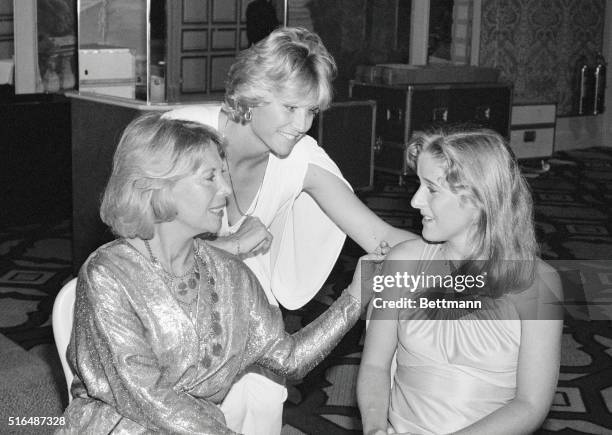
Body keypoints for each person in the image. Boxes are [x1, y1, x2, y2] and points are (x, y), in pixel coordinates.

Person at [57, 113, 382, 434]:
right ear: (157, 187)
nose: (227, 189)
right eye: (210, 177)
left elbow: (289, 357)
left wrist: (354, 298)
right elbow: (148, 399)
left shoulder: (230, 275)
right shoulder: (108, 275)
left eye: (223, 174)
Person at [164, 26, 416, 434]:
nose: (302, 124)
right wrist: (233, 244)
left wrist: (476, 250)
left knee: (259, 412)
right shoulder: (184, 134)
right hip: (171, 310)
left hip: (248, 308)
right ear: (251, 94)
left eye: (312, 111)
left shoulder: (300, 158)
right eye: (290, 107)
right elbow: (141, 256)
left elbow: (376, 235)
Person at [357, 129, 563, 435]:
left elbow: (531, 404)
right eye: (419, 185)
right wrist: (374, 428)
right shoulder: (404, 261)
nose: (415, 201)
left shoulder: (538, 284)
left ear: (478, 198)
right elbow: (375, 366)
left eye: (432, 189)